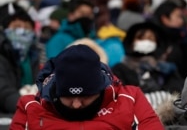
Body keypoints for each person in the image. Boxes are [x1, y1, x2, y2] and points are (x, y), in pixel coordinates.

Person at [10, 44, 164, 130]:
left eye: (86, 96)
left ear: (100, 88)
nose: (76, 104)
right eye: (68, 97)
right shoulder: (31, 107)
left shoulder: (129, 98)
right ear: (56, 90)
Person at [0, 3, 40, 114]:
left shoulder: (33, 55)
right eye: (16, 27)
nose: (22, 31)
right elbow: (3, 92)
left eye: (27, 27)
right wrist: (28, 105)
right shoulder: (3, 55)